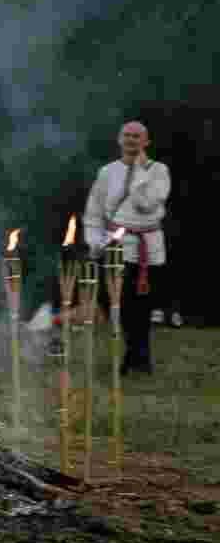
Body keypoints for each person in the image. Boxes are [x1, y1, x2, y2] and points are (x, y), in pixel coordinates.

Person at [84, 121, 171, 375]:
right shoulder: (107, 172)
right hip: (115, 244)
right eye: (127, 136)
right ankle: (135, 356)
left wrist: (140, 171)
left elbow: (147, 204)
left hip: (148, 247)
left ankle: (137, 359)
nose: (132, 140)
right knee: (117, 302)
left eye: (137, 136)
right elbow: (94, 211)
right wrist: (94, 241)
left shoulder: (159, 171)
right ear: (119, 139)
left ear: (146, 142)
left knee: (141, 307)